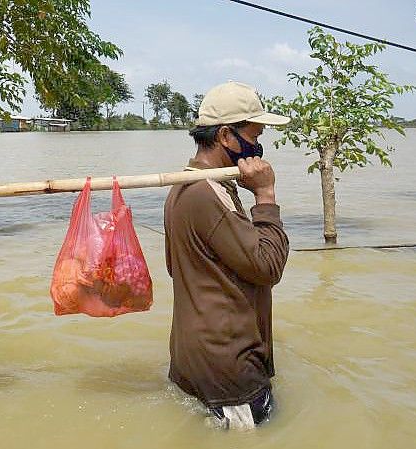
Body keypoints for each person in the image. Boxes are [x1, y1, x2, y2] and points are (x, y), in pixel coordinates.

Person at [163, 81, 291, 430]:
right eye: (254, 135)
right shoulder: (207, 195)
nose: (258, 146)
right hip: (229, 368)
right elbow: (268, 267)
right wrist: (265, 196)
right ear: (224, 136)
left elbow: (177, 269)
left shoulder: (184, 186)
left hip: (193, 359)